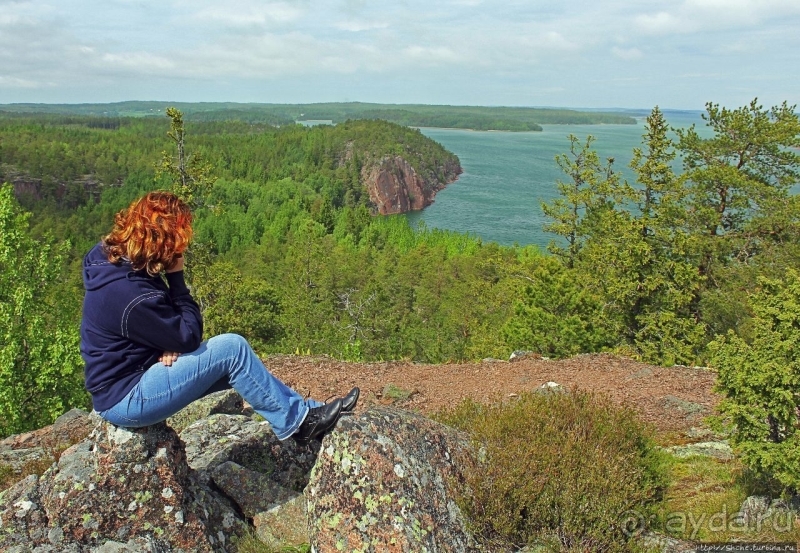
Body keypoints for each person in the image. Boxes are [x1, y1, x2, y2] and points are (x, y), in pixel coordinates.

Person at [80, 190, 358, 444]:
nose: (182, 250)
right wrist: (176, 277)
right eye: (178, 244)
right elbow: (189, 335)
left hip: (129, 378)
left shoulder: (107, 258)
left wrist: (160, 340)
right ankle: (299, 425)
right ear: (162, 242)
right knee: (232, 350)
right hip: (126, 398)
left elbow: (143, 327)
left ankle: (306, 411)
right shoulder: (133, 296)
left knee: (242, 368)